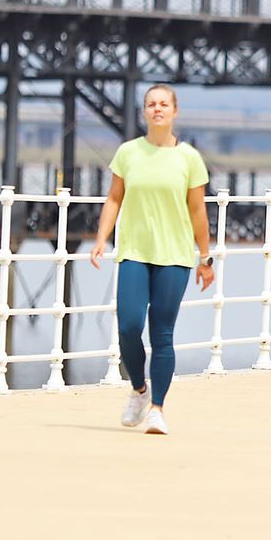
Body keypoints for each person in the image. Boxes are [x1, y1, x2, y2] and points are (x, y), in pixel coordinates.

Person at [90, 85, 215, 436]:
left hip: (174, 256)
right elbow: (114, 198)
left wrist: (205, 257)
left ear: (175, 111)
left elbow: (198, 211)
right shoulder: (128, 152)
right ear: (144, 111)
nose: (157, 109)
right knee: (129, 327)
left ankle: (157, 409)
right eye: (151, 104)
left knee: (162, 333)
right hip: (134, 252)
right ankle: (139, 390)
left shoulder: (189, 158)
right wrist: (101, 238)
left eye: (163, 104)